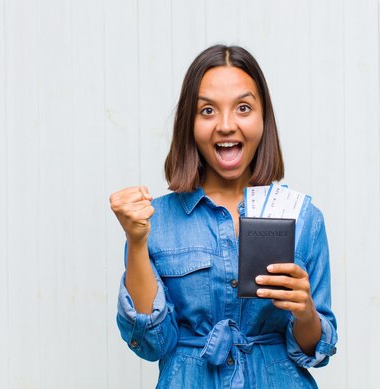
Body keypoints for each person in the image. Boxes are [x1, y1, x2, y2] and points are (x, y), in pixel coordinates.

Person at [110, 44, 337, 389]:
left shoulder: (305, 219)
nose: (227, 125)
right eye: (207, 111)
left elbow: (316, 351)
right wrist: (136, 241)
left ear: (264, 119)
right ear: (190, 122)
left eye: (243, 108)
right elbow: (153, 343)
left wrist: (305, 311)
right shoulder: (153, 222)